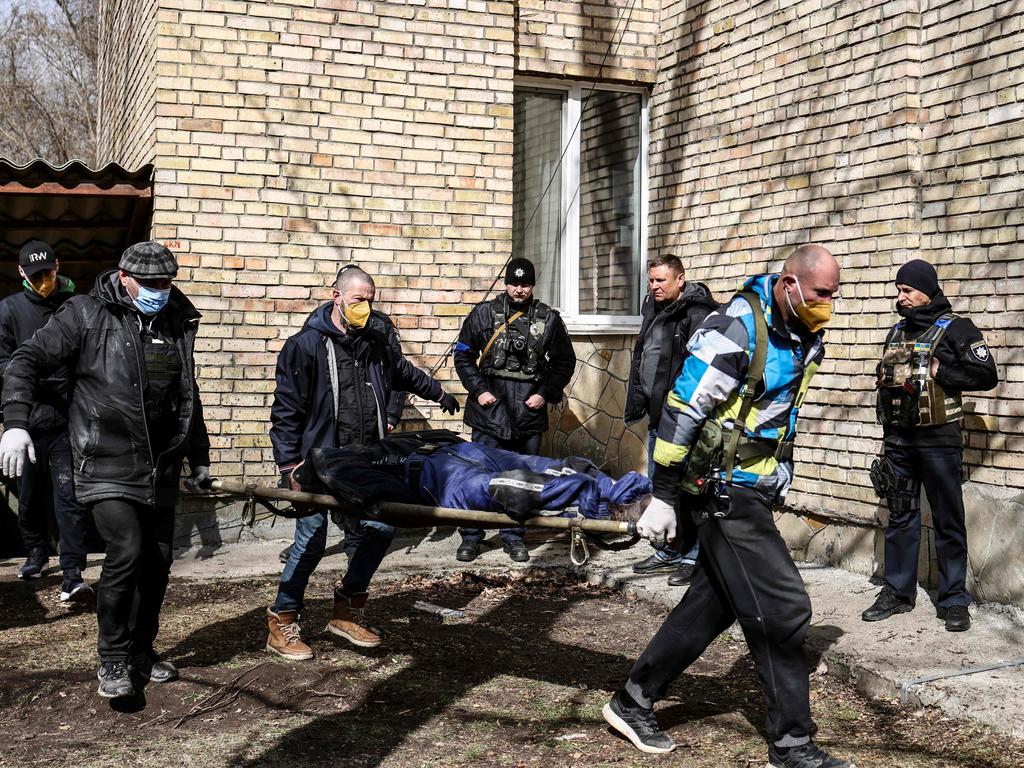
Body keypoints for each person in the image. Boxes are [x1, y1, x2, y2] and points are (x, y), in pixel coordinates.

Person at [603, 246, 856, 768]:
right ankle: (791, 745)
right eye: (821, 294)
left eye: (834, 295)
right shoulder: (738, 327)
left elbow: (772, 414)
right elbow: (682, 405)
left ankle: (633, 699)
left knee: (714, 602)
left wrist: (778, 472)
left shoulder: (802, 332)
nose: (828, 305)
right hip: (720, 488)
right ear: (789, 284)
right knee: (785, 609)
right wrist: (665, 494)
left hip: (750, 484)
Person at [0, 241, 212, 700]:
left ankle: (141, 650)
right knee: (128, 551)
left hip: (159, 466)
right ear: (123, 276)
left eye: (166, 282)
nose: (160, 290)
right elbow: (25, 361)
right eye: (151, 283)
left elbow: (186, 397)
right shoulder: (85, 314)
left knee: (158, 563)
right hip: (105, 460)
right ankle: (112, 658)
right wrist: (16, 423)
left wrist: (200, 458)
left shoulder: (176, 319)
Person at [266, 264, 460, 661]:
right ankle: (282, 621)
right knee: (310, 541)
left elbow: (402, 371)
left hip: (361, 462)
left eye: (370, 301)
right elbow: (286, 411)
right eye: (358, 300)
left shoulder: (373, 342)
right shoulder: (305, 346)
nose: (365, 309)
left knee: (377, 529)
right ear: (336, 296)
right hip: (314, 465)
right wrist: (289, 467)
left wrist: (439, 393)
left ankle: (346, 610)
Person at [862, 259, 998, 632]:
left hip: (939, 440)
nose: (900, 297)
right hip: (899, 441)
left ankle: (954, 600)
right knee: (901, 515)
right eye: (898, 290)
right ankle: (898, 592)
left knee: (947, 520)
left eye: (907, 290)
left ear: (926, 290)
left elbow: (988, 375)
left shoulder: (957, 329)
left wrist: (943, 372)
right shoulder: (896, 332)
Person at [452, 257, 576, 563]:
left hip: (528, 410)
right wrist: (479, 390)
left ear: (532, 285)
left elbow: (564, 361)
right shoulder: (484, 313)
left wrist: (545, 394)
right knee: (477, 476)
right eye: (514, 283)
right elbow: (463, 354)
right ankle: (471, 536)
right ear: (506, 283)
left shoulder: (548, 319)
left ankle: (513, 535)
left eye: (525, 284)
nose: (519, 290)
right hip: (489, 408)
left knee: (522, 479)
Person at [0, 241, 91, 602]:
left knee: (69, 498)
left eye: (48, 273)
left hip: (67, 421)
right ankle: (36, 554)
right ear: (21, 273)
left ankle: (72, 572)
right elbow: (3, 363)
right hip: (28, 421)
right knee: (29, 496)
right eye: (36, 275)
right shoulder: (8, 311)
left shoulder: (74, 305)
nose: (44, 280)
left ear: (58, 266)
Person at [624, 254, 717, 586]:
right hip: (656, 414)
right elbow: (644, 356)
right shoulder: (653, 307)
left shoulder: (699, 313)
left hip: (683, 418)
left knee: (688, 488)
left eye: (661, 280)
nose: (654, 286)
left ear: (680, 279)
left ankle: (693, 555)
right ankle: (668, 548)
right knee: (659, 482)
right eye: (651, 280)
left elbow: (702, 370)